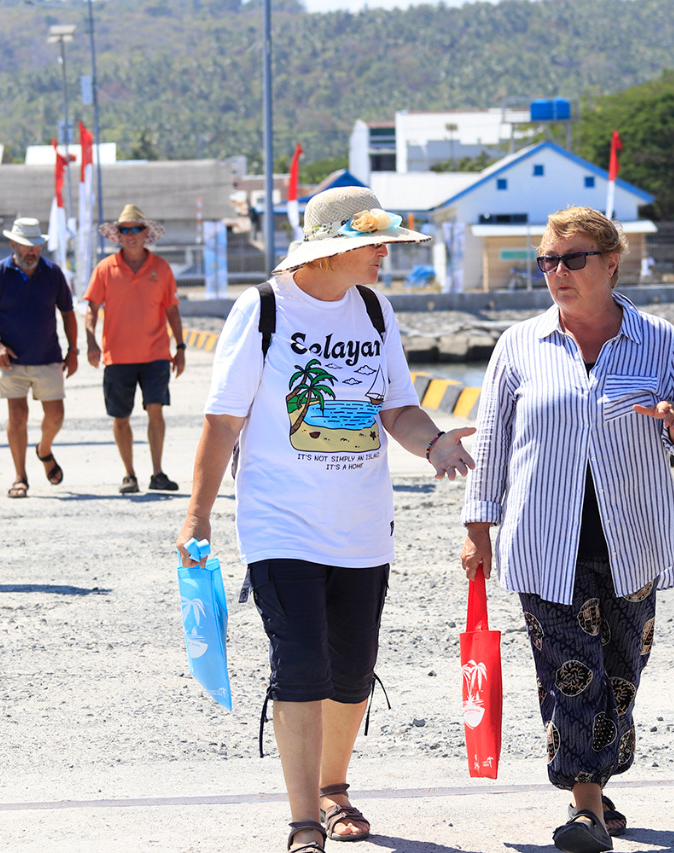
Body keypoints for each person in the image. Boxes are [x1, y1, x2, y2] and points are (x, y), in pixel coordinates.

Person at [175, 187, 475, 853]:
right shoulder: (263, 309)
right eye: (375, 244)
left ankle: (335, 785)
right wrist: (197, 515)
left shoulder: (373, 309)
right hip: (280, 522)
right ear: (334, 247)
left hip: (362, 524)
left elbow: (396, 407)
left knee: (352, 669)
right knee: (301, 663)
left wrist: (435, 444)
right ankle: (305, 816)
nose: (385, 256)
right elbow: (223, 419)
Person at [460, 206, 674, 853]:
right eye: (548, 260)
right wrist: (476, 526)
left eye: (572, 259)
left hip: (635, 541)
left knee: (621, 676)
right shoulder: (520, 345)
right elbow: (493, 442)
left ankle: (595, 779)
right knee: (571, 672)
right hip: (545, 542)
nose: (557, 272)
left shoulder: (658, 340)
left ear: (611, 262)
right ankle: (585, 806)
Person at [84, 204, 185, 494]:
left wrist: (180, 347)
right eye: (124, 230)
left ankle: (158, 473)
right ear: (118, 236)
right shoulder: (105, 268)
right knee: (121, 417)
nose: (130, 235)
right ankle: (129, 474)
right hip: (117, 356)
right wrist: (90, 340)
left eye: (135, 230)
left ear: (145, 234)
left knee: (156, 410)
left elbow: (173, 311)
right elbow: (91, 308)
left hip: (155, 354)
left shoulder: (161, 268)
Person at [0, 217, 79, 497]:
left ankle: (44, 450)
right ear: (13, 244)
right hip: (11, 361)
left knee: (56, 416)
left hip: (48, 357)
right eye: (25, 246)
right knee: (17, 416)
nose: (31, 251)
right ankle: (20, 477)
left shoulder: (53, 273)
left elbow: (68, 313)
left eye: (36, 246)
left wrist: (74, 350)